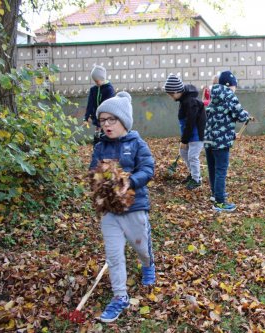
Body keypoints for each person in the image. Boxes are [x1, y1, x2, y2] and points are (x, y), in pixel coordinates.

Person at [89, 92, 156, 323]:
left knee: (141, 248)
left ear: (124, 121)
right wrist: (99, 182)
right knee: (114, 255)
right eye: (103, 120)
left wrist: (129, 182)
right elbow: (93, 170)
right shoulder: (100, 147)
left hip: (135, 207)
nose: (106, 125)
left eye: (112, 120)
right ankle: (120, 296)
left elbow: (148, 169)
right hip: (110, 211)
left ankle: (148, 264)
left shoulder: (137, 143)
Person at [204, 70, 250, 212]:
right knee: (221, 170)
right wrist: (246, 114)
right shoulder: (229, 94)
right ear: (230, 84)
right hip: (221, 142)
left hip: (209, 139)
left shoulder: (214, 95)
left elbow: (220, 118)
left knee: (212, 168)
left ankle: (215, 194)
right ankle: (220, 202)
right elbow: (240, 114)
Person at [164, 74, 206, 190]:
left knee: (192, 156)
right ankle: (192, 174)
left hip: (196, 134)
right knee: (183, 152)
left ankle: (197, 179)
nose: (170, 97)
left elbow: (190, 122)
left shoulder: (190, 102)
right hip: (189, 134)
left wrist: (185, 140)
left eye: (170, 94)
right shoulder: (183, 99)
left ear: (176, 91)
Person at [84, 65, 115, 145]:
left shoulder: (109, 89)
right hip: (97, 118)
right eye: (95, 81)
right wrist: (86, 117)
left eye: (97, 81)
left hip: (106, 118)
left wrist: (103, 119)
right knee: (97, 137)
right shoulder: (93, 89)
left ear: (102, 78)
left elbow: (108, 106)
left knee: (105, 136)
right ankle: (96, 151)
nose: (96, 83)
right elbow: (90, 104)